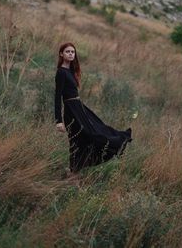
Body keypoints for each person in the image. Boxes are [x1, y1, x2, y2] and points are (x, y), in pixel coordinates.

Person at [55, 42, 132, 173]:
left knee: (98, 130)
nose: (71, 54)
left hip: (79, 108)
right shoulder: (61, 73)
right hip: (71, 111)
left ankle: (74, 170)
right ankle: (73, 173)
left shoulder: (71, 71)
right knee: (78, 140)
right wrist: (59, 121)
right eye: (67, 51)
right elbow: (57, 97)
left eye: (73, 52)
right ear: (61, 54)